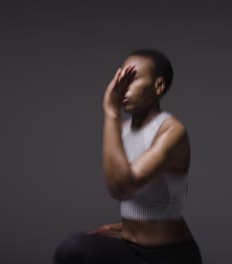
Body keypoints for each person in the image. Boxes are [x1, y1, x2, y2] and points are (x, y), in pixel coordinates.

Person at [53, 49, 202, 264]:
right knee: (73, 249)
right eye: (122, 79)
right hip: (131, 249)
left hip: (170, 256)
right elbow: (154, 202)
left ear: (158, 86)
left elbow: (122, 187)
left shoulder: (171, 130)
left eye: (132, 80)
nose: (122, 88)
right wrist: (124, 226)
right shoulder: (121, 130)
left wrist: (111, 111)